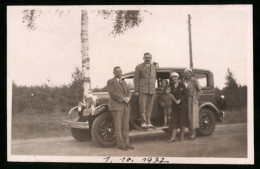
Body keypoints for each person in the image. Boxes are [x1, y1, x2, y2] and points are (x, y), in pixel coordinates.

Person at [107, 66, 135, 150]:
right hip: (117, 106)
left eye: (120, 71)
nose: (119, 73)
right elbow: (112, 93)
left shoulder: (124, 82)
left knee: (126, 126)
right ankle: (121, 145)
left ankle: (127, 143)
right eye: (117, 71)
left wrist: (129, 98)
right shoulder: (110, 82)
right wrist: (123, 98)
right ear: (114, 73)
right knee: (118, 126)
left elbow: (129, 92)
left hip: (126, 106)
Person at [134, 53, 157, 128]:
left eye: (149, 57)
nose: (148, 59)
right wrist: (136, 90)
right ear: (143, 58)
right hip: (142, 89)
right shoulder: (139, 67)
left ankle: (148, 121)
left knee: (149, 107)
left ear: (151, 58)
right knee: (142, 107)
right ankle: (143, 122)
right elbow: (136, 79)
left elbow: (154, 78)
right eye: (146, 57)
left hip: (151, 89)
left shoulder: (154, 67)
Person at [167, 72, 188, 142]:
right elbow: (168, 93)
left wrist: (180, 100)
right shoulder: (170, 86)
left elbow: (186, 94)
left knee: (182, 121)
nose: (174, 78)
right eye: (173, 77)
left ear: (177, 78)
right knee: (174, 122)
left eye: (175, 77)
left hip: (182, 106)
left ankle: (182, 137)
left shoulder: (182, 85)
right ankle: (173, 137)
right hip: (174, 106)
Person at [183, 68, 202, 140]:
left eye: (189, 73)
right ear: (184, 74)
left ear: (191, 73)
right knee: (188, 117)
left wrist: (196, 98)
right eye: (186, 73)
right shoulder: (183, 81)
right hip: (185, 100)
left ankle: (193, 135)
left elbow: (199, 90)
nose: (187, 74)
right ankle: (190, 134)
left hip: (192, 99)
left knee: (193, 117)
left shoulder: (194, 81)